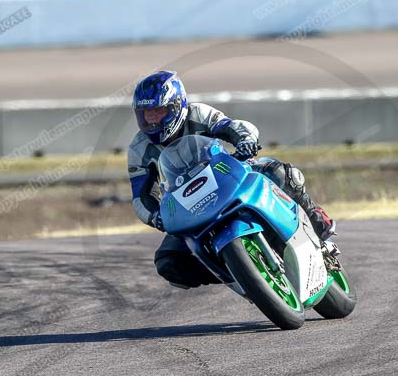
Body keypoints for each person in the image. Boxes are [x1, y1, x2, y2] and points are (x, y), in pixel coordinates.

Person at [128, 70, 335, 288]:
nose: (151, 120)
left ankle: (315, 217)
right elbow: (141, 196)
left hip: (227, 177)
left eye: (158, 112)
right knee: (168, 262)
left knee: (279, 172)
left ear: (176, 105)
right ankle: (237, 271)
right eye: (146, 114)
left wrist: (245, 141)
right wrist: (155, 216)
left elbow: (232, 127)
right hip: (188, 205)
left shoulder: (198, 114)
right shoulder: (138, 149)